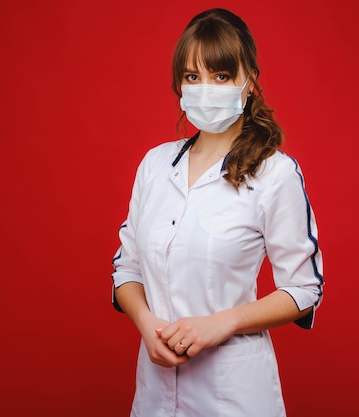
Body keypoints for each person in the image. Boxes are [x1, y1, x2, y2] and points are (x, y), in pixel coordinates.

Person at [111, 8, 324, 417]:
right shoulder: (155, 165)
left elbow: (304, 290)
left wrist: (219, 323)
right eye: (193, 77)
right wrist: (147, 327)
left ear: (249, 83)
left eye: (221, 76)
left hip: (233, 397)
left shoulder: (275, 174)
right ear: (180, 85)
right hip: (154, 394)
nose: (205, 88)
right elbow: (127, 269)